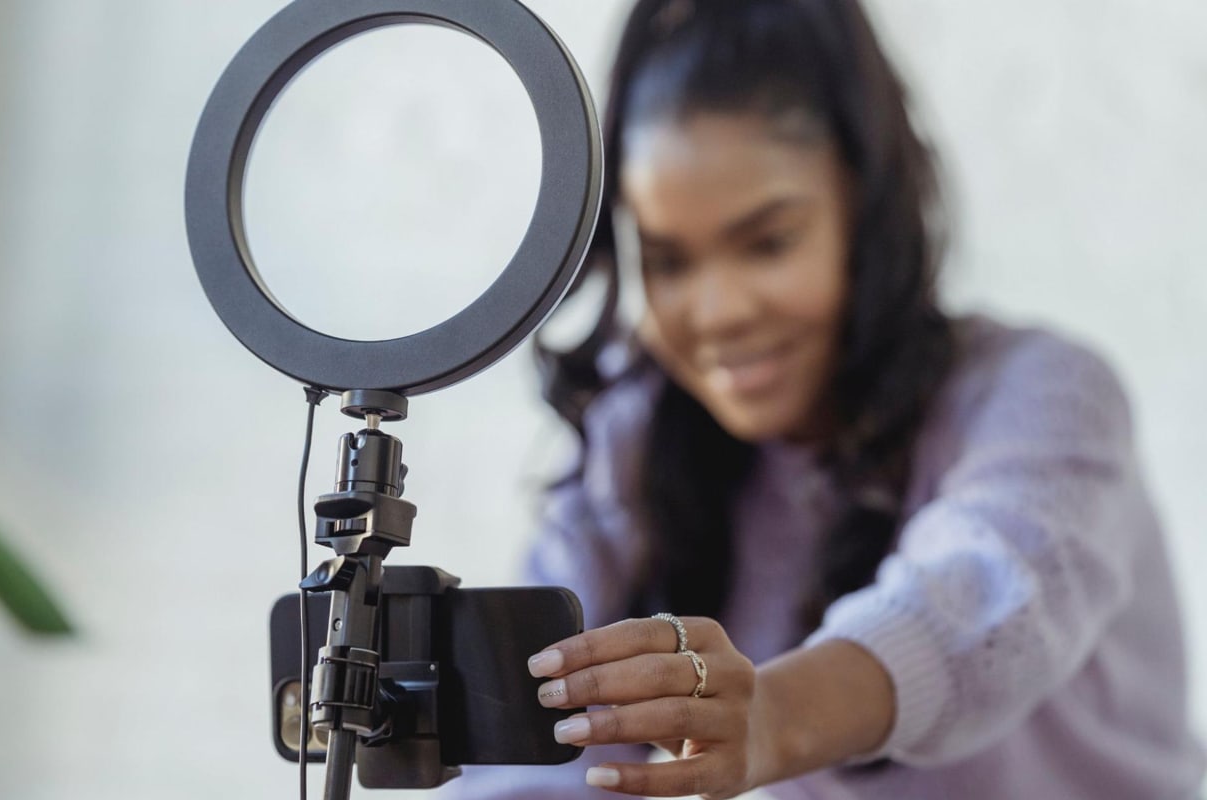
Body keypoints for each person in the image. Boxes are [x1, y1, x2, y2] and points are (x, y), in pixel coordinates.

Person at [441, 0, 1205, 797]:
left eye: (768, 242)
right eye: (668, 262)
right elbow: (534, 764)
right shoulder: (632, 444)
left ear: (864, 211)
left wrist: (770, 717)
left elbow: (978, 600)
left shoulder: (1043, 396)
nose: (719, 311)